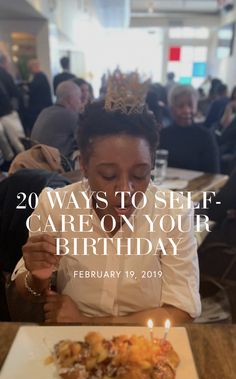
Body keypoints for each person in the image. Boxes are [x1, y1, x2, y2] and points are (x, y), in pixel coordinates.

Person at [12, 73, 201, 325]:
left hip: (145, 348)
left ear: (152, 166)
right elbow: (23, 294)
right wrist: (37, 278)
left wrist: (87, 322)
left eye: (140, 174)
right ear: (84, 166)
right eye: (108, 175)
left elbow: (182, 311)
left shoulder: (174, 212)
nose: (125, 190)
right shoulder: (55, 205)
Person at [160, 84, 220, 173]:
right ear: (172, 109)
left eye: (190, 105)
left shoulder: (205, 136)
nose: (186, 110)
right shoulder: (163, 135)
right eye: (180, 106)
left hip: (199, 186)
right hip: (166, 186)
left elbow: (214, 173)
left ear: (196, 107)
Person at [31, 80, 82, 159]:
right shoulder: (71, 116)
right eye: (79, 98)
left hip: (36, 161)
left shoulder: (45, 111)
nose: (80, 102)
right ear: (70, 100)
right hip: (56, 165)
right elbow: (84, 143)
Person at [26, 59, 52, 131]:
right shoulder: (38, 76)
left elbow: (33, 90)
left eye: (30, 67)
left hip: (39, 110)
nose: (29, 70)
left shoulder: (39, 76)